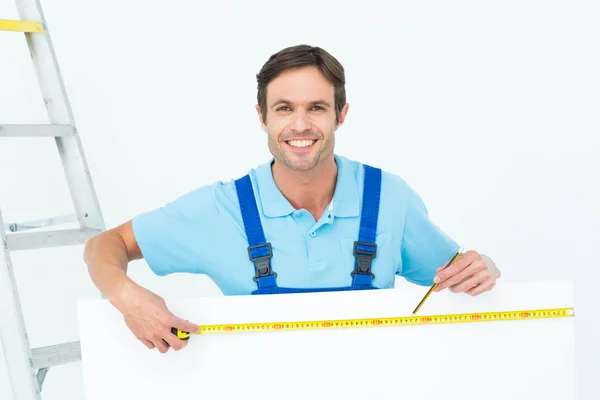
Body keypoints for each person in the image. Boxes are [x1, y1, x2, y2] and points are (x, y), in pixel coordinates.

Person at [83, 44, 501, 353]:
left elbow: (453, 274)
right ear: (262, 116)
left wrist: (485, 269)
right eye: (284, 109)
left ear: (341, 114)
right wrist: (126, 296)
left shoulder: (389, 197)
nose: (300, 125)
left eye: (316, 108)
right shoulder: (223, 208)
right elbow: (105, 245)